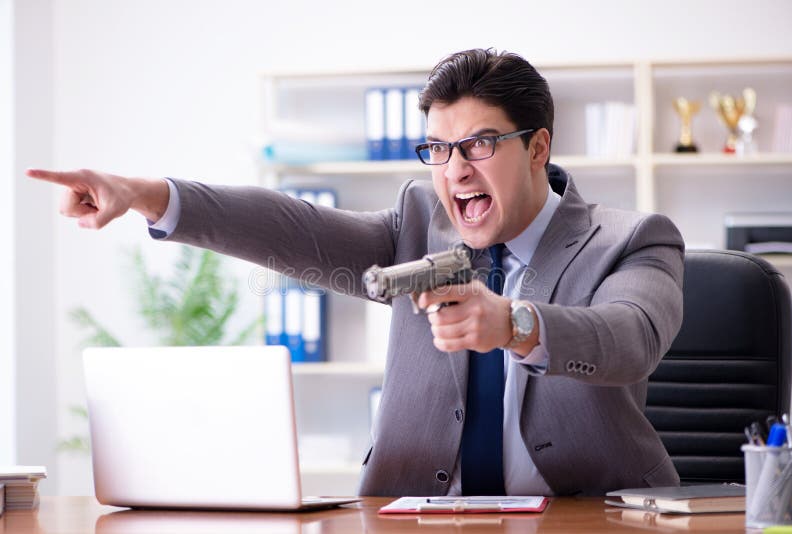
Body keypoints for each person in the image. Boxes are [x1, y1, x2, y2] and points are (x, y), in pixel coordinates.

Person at [28, 48, 684, 497]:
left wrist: (512, 323)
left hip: (588, 518)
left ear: (538, 147)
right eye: (438, 149)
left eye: (479, 144)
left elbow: (628, 340)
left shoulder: (631, 240)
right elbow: (291, 228)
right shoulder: (417, 224)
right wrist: (149, 194)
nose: (455, 170)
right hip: (416, 521)